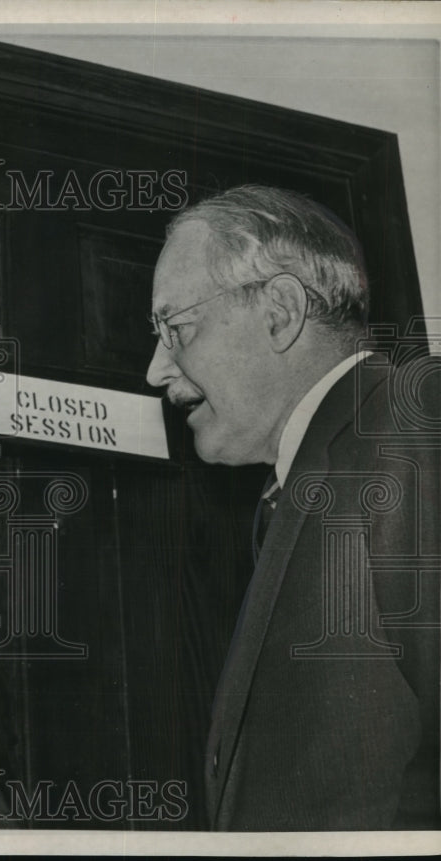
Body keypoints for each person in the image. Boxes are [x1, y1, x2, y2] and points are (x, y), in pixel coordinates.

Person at [145, 184, 440, 830]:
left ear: (278, 311)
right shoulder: (303, 484)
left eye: (175, 329)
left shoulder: (413, 422)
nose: (155, 370)